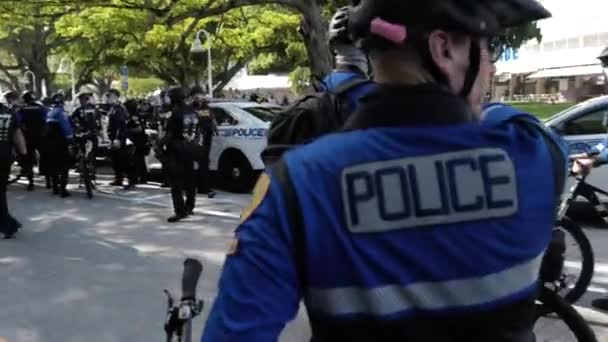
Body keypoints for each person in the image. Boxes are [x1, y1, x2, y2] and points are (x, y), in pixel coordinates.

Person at [202, 1, 562, 341]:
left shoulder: (296, 185)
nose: (491, 68)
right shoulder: (535, 155)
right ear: (444, 49)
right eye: (486, 50)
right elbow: (504, 121)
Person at [160, 87, 201, 223]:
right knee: (190, 180)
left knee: (176, 183)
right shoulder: (193, 112)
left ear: (174, 98)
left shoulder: (175, 114)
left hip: (177, 150)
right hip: (191, 147)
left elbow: (169, 135)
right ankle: (190, 207)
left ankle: (180, 211)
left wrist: (158, 145)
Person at [0, 101, 26, 238]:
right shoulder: (10, 113)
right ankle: (8, 223)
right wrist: (23, 153)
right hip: (5, 156)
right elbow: (18, 134)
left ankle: (8, 225)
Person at [17, 91, 48, 191]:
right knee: (44, 157)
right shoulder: (41, 108)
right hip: (41, 137)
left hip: (28, 137)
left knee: (28, 160)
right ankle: (49, 181)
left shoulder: (22, 110)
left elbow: (18, 122)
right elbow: (47, 119)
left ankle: (31, 183)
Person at [45, 92, 74, 198]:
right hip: (60, 143)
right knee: (64, 166)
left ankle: (55, 188)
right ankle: (63, 189)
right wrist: (71, 139)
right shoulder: (62, 113)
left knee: (54, 165)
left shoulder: (49, 113)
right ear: (62, 102)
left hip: (49, 143)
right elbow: (66, 127)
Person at [191, 86, 217, 198]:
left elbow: (212, 120)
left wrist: (215, 129)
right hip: (194, 138)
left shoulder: (207, 107)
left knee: (204, 162)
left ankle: (204, 187)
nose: (198, 96)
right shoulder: (190, 108)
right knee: (191, 163)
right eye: (196, 94)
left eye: (200, 94)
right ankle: (191, 186)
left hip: (206, 137)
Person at [106, 89, 133, 189]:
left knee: (123, 160)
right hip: (114, 137)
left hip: (120, 138)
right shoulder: (112, 108)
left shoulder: (119, 108)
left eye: (110, 96)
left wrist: (118, 139)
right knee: (115, 159)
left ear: (116, 97)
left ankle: (127, 180)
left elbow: (121, 125)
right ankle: (118, 178)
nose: (108, 98)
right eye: (107, 96)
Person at [124, 99, 148, 185]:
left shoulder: (134, 117)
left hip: (137, 141)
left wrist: (127, 130)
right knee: (140, 160)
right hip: (137, 141)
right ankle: (142, 178)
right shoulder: (132, 116)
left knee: (135, 160)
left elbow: (139, 129)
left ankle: (135, 178)